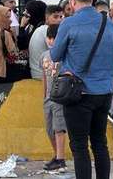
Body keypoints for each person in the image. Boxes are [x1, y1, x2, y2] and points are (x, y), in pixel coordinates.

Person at [50, 0, 113, 179]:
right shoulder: (109, 24)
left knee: (79, 146)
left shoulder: (69, 24)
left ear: (72, 0)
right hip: (105, 92)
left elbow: (55, 54)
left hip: (78, 94)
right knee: (100, 143)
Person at [41, 24, 68, 172]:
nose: (51, 41)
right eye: (49, 38)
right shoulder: (43, 56)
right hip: (48, 98)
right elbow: (44, 77)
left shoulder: (64, 55)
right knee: (49, 129)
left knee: (59, 128)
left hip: (60, 98)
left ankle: (61, 159)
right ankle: (56, 155)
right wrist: (44, 95)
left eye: (54, 38)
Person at [28, 5, 64, 79]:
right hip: (42, 75)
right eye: (55, 17)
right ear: (47, 18)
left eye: (61, 17)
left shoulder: (40, 29)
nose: (59, 20)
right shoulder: (47, 31)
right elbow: (57, 54)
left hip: (37, 72)